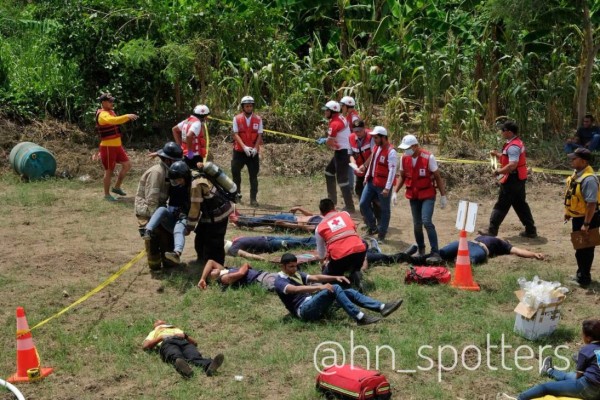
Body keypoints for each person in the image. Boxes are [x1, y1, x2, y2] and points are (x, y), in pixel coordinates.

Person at [274, 253, 403, 325]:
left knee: (349, 292)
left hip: (313, 302)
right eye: (291, 267)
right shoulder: (279, 281)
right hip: (304, 310)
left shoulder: (296, 273)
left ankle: (381, 307)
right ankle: (359, 317)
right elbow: (295, 290)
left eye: (295, 266)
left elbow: (315, 277)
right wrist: (321, 287)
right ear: (282, 266)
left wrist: (335, 277)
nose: (294, 269)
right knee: (334, 288)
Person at [498, 319, 600, 400]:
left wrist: (579, 370)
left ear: (588, 338)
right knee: (568, 375)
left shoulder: (586, 350)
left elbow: (578, 376)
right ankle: (548, 370)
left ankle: (519, 398)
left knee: (545, 387)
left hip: (587, 388)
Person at [478, 121, 537, 238]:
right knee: (520, 204)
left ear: (509, 132)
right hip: (519, 178)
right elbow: (509, 158)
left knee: (501, 205)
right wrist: (497, 155)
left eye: (503, 130)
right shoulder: (515, 143)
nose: (501, 132)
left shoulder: (513, 146)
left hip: (512, 179)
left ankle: (492, 231)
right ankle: (531, 230)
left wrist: (497, 172)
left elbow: (512, 165)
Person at [395, 134, 448, 263]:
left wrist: (443, 195)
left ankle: (435, 251)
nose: (405, 151)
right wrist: (395, 192)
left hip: (427, 195)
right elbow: (402, 176)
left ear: (415, 146)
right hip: (413, 196)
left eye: (407, 148)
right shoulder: (404, 158)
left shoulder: (428, 157)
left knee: (426, 221)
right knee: (417, 224)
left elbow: (437, 177)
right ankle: (421, 249)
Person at [135, 142, 184, 270]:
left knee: (167, 237)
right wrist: (154, 221)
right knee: (153, 240)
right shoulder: (157, 173)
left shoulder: (168, 171)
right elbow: (152, 199)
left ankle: (168, 262)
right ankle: (155, 265)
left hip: (159, 210)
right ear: (167, 160)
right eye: (174, 161)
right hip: (148, 212)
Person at [366, 236, 545, 266]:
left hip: (480, 249)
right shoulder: (486, 234)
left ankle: (445, 265)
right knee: (441, 253)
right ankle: (415, 259)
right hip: (467, 241)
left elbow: (518, 250)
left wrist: (534, 254)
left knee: (469, 262)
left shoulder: (503, 244)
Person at [142, 161, 191, 265]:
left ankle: (176, 253)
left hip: (182, 219)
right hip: (170, 217)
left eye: (179, 179)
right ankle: (147, 231)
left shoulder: (192, 187)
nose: (177, 182)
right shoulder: (173, 186)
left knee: (178, 230)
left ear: (185, 177)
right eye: (175, 180)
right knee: (162, 209)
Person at [564, 148, 600, 288]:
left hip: (587, 219)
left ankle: (584, 279)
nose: (571, 160)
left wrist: (586, 224)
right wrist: (568, 212)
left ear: (583, 161)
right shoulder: (577, 174)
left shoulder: (589, 180)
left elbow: (591, 204)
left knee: (585, 250)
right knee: (580, 249)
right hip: (578, 217)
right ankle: (581, 274)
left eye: (574, 158)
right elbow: (574, 196)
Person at [142, 320, 224, 378]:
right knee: (174, 354)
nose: (158, 321)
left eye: (160, 320)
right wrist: (160, 338)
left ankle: (209, 366)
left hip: (183, 342)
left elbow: (195, 343)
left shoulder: (175, 328)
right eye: (156, 322)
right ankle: (184, 369)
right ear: (155, 326)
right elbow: (145, 346)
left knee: (194, 355)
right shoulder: (153, 332)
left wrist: (185, 336)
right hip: (167, 342)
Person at [95, 92, 139, 201]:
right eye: (110, 101)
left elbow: (116, 120)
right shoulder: (102, 115)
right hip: (108, 147)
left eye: (112, 101)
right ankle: (106, 195)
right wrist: (127, 116)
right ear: (103, 102)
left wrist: (126, 117)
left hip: (117, 146)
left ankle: (117, 187)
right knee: (109, 171)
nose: (112, 103)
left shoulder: (110, 112)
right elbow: (113, 121)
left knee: (127, 165)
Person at [187, 165, 235, 265]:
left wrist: (189, 227)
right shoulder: (194, 174)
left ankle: (217, 266)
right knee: (200, 236)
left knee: (214, 242)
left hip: (218, 215)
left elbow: (195, 208)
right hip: (210, 214)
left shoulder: (196, 185)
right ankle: (202, 261)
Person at [315, 198, 367, 287]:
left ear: (321, 212)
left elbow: (321, 253)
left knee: (325, 279)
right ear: (334, 207)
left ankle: (348, 282)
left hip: (340, 257)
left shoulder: (319, 228)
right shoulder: (345, 214)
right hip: (359, 251)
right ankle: (356, 271)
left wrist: (323, 263)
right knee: (363, 242)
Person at [359, 126, 398, 241]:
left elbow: (392, 170)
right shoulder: (376, 147)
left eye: (376, 137)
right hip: (372, 182)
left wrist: (387, 188)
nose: (374, 140)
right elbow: (372, 163)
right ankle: (373, 226)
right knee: (363, 204)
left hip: (383, 185)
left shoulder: (391, 152)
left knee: (385, 210)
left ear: (383, 137)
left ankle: (382, 234)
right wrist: (366, 177)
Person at [323, 100, 355, 213]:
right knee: (329, 172)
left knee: (342, 180)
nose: (325, 112)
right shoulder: (340, 117)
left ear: (332, 111)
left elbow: (329, 143)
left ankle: (350, 207)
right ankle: (332, 201)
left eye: (326, 110)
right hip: (342, 151)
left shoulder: (334, 123)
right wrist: (329, 140)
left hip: (342, 153)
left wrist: (325, 141)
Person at [231, 96, 263, 207]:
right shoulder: (237, 118)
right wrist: (244, 147)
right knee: (236, 174)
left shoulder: (258, 119)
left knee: (253, 176)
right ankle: (237, 196)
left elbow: (259, 135)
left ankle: (253, 199)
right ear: (243, 107)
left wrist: (255, 148)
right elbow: (235, 134)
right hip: (239, 152)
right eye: (247, 106)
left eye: (250, 106)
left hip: (253, 153)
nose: (249, 108)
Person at [197, 260, 277, 291]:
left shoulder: (224, 271)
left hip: (263, 274)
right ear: (212, 280)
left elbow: (210, 262)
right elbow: (241, 273)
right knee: (285, 286)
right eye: (210, 273)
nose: (212, 269)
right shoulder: (224, 278)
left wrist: (203, 279)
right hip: (261, 280)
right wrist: (245, 265)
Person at [172, 105, 209, 170]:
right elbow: (189, 136)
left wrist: (180, 147)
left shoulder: (187, 121)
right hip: (195, 156)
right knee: (197, 175)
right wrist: (190, 152)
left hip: (186, 155)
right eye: (207, 116)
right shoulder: (197, 123)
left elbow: (174, 130)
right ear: (203, 116)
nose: (207, 118)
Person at [230, 206, 323, 232]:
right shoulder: (324, 217)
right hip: (292, 218)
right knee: (266, 217)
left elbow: (307, 228)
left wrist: (286, 224)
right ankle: (242, 217)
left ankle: (239, 221)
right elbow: (312, 215)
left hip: (291, 223)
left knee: (265, 220)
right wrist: (299, 208)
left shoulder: (322, 224)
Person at [225, 235, 317, 260]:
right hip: (268, 238)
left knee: (296, 243)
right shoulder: (236, 241)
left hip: (270, 244)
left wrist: (262, 259)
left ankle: (317, 242)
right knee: (297, 241)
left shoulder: (233, 249)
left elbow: (246, 255)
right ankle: (317, 240)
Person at [341, 96, 361, 191]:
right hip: (351, 143)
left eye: (343, 106)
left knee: (351, 165)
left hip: (354, 144)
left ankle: (351, 187)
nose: (342, 108)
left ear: (347, 106)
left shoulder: (354, 117)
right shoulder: (350, 115)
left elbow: (356, 132)